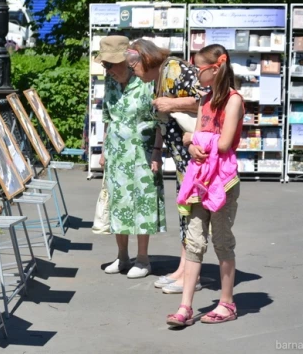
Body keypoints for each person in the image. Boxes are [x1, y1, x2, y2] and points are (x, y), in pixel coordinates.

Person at [166, 44, 243, 327]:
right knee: (194, 240)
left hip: (222, 180)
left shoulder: (233, 100)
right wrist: (190, 143)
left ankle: (227, 303)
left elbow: (223, 143)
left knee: (222, 241)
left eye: (199, 68)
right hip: (200, 177)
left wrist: (194, 140)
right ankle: (185, 306)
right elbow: (197, 136)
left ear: (215, 68)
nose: (195, 72)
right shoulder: (204, 99)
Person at [125, 39, 204, 293]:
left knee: (192, 212)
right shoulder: (162, 75)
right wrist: (158, 150)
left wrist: (171, 104)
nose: (132, 72)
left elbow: (207, 101)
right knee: (186, 211)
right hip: (184, 156)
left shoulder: (174, 69)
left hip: (195, 154)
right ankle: (184, 269)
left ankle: (191, 275)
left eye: (133, 66)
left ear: (145, 60)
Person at [96, 35, 166, 277]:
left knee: (143, 204)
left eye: (110, 64)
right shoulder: (111, 80)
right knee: (119, 203)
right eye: (104, 64)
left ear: (126, 60)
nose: (107, 68)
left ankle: (143, 259)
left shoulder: (147, 79)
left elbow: (160, 121)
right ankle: (122, 256)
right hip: (117, 151)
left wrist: (157, 152)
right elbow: (107, 116)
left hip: (143, 151)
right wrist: (104, 149)